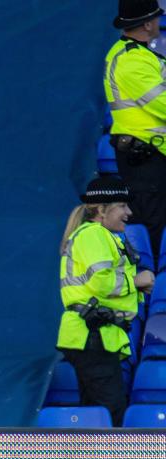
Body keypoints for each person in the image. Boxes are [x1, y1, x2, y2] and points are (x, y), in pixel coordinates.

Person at [57, 176, 156, 426]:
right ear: (102, 210)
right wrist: (138, 279)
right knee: (109, 413)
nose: (129, 212)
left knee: (95, 413)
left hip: (94, 336)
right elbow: (101, 282)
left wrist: (137, 288)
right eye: (122, 206)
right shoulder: (94, 235)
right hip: (93, 336)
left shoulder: (100, 235)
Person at [105, 0, 166, 264]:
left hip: (150, 155)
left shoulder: (136, 55)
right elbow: (162, 104)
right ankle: (148, 281)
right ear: (148, 23)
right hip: (146, 158)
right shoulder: (132, 60)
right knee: (153, 222)